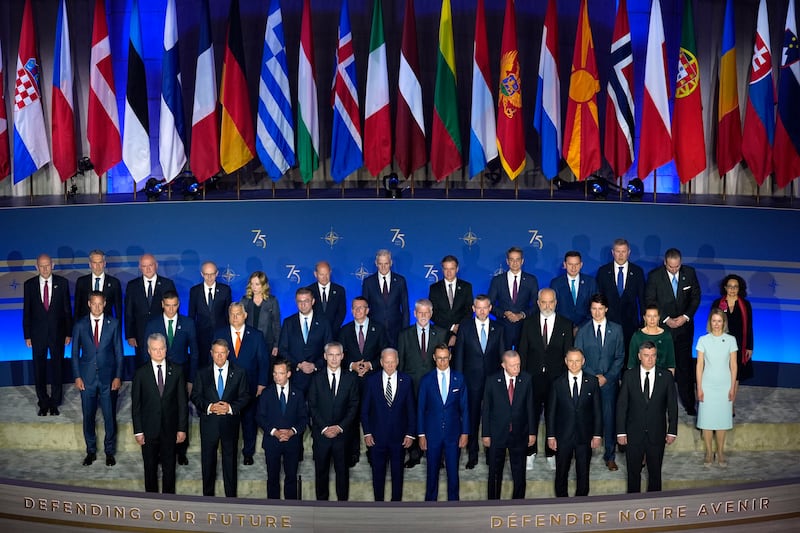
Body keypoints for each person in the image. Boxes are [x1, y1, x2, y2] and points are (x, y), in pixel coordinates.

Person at [517, 288, 573, 471]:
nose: (547, 306)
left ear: (556, 302)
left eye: (551, 302)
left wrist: (565, 380)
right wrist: (521, 379)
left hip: (555, 380)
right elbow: (522, 352)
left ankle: (552, 453)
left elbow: (568, 355)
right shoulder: (528, 323)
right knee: (530, 416)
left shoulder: (566, 324)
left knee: (554, 416)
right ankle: (530, 452)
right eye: (544, 302)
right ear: (538, 303)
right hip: (532, 379)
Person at [144, 290, 198, 465]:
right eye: (167, 305)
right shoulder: (153, 324)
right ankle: (160, 451)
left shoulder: (188, 323)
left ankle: (181, 451)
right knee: (161, 412)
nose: (171, 309)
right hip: (158, 375)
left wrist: (191, 379)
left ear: (179, 304)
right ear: (162, 304)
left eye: (174, 305)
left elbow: (195, 354)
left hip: (180, 376)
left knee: (181, 411)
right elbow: (146, 354)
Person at [191, 339, 250, 497]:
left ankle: (230, 499)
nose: (219, 356)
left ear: (228, 353)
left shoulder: (239, 372)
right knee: (208, 463)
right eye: (216, 353)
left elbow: (245, 396)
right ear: (211, 353)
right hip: (209, 424)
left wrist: (230, 408)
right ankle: (208, 498)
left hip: (229, 425)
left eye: (222, 353)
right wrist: (210, 407)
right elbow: (195, 396)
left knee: (230, 464)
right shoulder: (202, 373)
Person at [616, 341, 678, 493]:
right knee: (633, 473)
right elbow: (622, 406)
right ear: (639, 356)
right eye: (646, 356)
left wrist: (672, 430)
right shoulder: (629, 376)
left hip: (656, 433)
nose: (650, 359)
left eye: (653, 356)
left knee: (655, 474)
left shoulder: (666, 377)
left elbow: (672, 406)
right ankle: (633, 505)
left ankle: (654, 508)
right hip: (633, 433)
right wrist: (621, 432)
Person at [645, 248, 701, 416]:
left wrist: (685, 317)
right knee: (660, 366)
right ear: (665, 263)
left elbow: (696, 297)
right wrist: (666, 319)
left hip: (684, 329)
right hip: (662, 329)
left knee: (684, 367)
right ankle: (658, 404)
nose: (674, 270)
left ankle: (689, 404)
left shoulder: (689, 273)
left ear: (681, 262)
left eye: (677, 267)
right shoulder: (655, 276)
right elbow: (650, 300)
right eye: (671, 267)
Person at [131, 333, 188, 493]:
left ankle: (168, 502)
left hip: (170, 430)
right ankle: (152, 501)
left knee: (169, 468)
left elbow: (182, 403)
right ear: (149, 350)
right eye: (155, 349)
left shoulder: (177, 371)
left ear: (166, 348)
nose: (158, 352)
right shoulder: (141, 373)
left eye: (161, 348)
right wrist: (138, 431)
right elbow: (136, 405)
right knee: (150, 469)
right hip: (149, 430)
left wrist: (182, 429)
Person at [71, 291, 123, 466]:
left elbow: (119, 353)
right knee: (88, 416)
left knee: (109, 416)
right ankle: (91, 451)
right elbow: (74, 355)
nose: (97, 307)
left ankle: (109, 452)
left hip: (108, 379)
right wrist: (77, 376)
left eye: (100, 303)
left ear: (105, 303)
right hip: (87, 379)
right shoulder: (79, 325)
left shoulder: (114, 324)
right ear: (88, 303)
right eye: (94, 303)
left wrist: (118, 376)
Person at [453, 294, 504, 470]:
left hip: (493, 382)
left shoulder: (499, 328)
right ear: (473, 309)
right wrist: (458, 381)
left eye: (485, 307)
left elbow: (503, 356)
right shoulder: (465, 328)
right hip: (470, 381)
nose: (482, 311)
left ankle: (491, 456)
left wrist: (501, 381)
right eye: (478, 308)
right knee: (472, 418)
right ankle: (472, 455)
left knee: (492, 418)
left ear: (490, 309)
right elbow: (459, 356)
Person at [214, 302, 269, 466]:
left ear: (245, 315)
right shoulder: (220, 334)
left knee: (249, 420)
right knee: (227, 421)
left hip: (250, 386)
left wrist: (262, 383)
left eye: (238, 314)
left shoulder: (256, 335)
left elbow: (264, 361)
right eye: (232, 314)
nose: (235, 317)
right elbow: (214, 360)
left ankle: (248, 453)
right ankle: (228, 453)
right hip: (226, 387)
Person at [574, 293, 625, 471]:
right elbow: (577, 358)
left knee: (609, 420)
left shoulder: (617, 330)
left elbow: (620, 357)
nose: (597, 312)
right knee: (586, 420)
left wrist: (607, 377)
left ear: (606, 309)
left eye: (600, 309)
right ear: (590, 309)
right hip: (588, 383)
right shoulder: (582, 330)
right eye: (594, 309)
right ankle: (585, 455)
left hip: (609, 384)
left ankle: (610, 456)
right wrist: (592, 377)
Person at [338, 296, 389, 466]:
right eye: (354, 308)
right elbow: (339, 357)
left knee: (374, 416)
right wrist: (352, 365)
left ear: (368, 310)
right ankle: (353, 452)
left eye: (361, 308)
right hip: (351, 381)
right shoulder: (344, 330)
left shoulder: (379, 329)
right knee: (351, 417)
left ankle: (373, 451)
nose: (357, 311)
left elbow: (384, 353)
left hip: (373, 380)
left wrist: (370, 365)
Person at [397, 298, 447, 468]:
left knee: (435, 419)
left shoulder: (441, 333)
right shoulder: (404, 334)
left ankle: (436, 455)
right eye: (420, 312)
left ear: (431, 314)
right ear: (415, 313)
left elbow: (444, 362)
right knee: (413, 418)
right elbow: (401, 363)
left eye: (427, 312)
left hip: (435, 385)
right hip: (412, 385)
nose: (423, 315)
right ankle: (414, 454)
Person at [545, 347, 602, 497]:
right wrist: (551, 436)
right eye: (571, 361)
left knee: (583, 471)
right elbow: (550, 412)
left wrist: (597, 434)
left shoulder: (592, 382)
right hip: (563, 435)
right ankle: (561, 503)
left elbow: (597, 411)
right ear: (565, 361)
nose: (574, 364)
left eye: (577, 361)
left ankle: (581, 503)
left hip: (585, 435)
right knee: (561, 471)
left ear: (583, 361)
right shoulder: (557, 383)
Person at [361, 348, 416, 501]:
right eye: (387, 362)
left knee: (398, 474)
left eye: (393, 362)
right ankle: (378, 506)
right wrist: (367, 433)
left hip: (399, 438)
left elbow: (411, 410)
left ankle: (396, 507)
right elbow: (364, 410)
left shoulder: (406, 381)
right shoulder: (371, 381)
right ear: (381, 362)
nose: (390, 365)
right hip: (376, 438)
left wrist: (410, 433)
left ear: (397, 362)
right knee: (378, 474)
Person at [308, 342, 360, 501]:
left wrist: (339, 427)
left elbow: (354, 406)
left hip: (342, 436)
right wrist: (324, 428)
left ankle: (342, 509)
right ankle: (321, 509)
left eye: (337, 355)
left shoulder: (351, 378)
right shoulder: (316, 378)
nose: (334, 358)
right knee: (321, 474)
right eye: (331, 354)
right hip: (321, 436)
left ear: (343, 356)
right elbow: (312, 406)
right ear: (325, 356)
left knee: (342, 474)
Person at [23, 253, 73, 416]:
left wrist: (68, 332)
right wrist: (27, 335)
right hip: (37, 335)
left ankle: (55, 401)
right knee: (39, 368)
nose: (45, 269)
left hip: (58, 333)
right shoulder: (29, 285)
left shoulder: (62, 283)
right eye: (41, 266)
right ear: (36, 267)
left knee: (57, 367)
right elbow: (27, 311)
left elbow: (67, 310)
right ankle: (43, 401)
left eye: (47, 265)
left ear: (52, 265)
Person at [482, 350, 536, 500]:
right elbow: (486, 410)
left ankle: (518, 503)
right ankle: (493, 503)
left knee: (519, 473)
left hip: (519, 433)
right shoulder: (492, 381)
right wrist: (486, 434)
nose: (516, 369)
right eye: (513, 366)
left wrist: (532, 432)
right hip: (497, 434)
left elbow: (530, 407)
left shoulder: (526, 379)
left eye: (518, 365)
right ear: (503, 365)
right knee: (494, 473)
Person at [417, 344, 469, 501]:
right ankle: (430, 507)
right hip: (432, 434)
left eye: (445, 358)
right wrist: (421, 434)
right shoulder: (426, 380)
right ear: (434, 358)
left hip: (453, 434)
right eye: (439, 358)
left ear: (450, 357)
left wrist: (465, 432)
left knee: (453, 473)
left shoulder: (459, 378)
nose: (442, 362)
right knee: (432, 472)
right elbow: (420, 409)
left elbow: (465, 408)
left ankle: (454, 506)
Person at [255, 358, 307, 500]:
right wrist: (275, 432)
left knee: (291, 477)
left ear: (288, 374)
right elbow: (260, 417)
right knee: (272, 478)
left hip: (292, 443)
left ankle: (291, 508)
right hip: (272, 442)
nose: (277, 376)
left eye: (281, 373)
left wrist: (291, 432)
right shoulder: (266, 393)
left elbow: (304, 418)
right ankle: (274, 509)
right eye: (275, 373)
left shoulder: (298, 393)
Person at [696, 309, 738, 468]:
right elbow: (699, 365)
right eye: (714, 321)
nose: (716, 324)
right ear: (710, 322)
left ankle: (720, 452)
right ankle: (708, 452)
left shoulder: (731, 340)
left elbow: (733, 366)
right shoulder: (703, 340)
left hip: (724, 384)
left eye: (719, 321)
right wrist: (699, 387)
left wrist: (733, 387)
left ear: (724, 323)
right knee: (707, 422)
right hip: (707, 384)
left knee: (721, 421)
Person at [278, 287, 333, 394]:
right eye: (300, 301)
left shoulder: (324, 322)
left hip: (318, 377)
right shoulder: (288, 322)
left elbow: (329, 349)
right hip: (295, 377)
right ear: (296, 302)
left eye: (306, 301)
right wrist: (298, 364)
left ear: (313, 301)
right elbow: (282, 349)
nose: (303, 304)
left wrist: (315, 365)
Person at [711, 274, 754, 411]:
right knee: (721, 373)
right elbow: (712, 324)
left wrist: (749, 346)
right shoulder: (718, 303)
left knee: (735, 376)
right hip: (720, 344)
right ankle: (719, 402)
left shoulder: (745, 304)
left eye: (735, 287)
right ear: (725, 288)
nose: (732, 289)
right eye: (730, 286)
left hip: (739, 345)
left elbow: (749, 326)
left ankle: (730, 405)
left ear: (739, 288)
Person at [125, 254, 176, 366]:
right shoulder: (132, 285)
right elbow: (129, 311)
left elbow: (173, 309)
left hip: (162, 331)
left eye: (150, 265)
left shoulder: (167, 284)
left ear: (156, 265)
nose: (148, 269)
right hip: (140, 333)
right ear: (140, 267)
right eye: (144, 266)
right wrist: (130, 335)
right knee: (142, 364)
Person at [595, 238, 646, 352]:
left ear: (629, 252)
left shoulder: (637, 271)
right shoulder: (603, 271)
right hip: (609, 322)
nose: (621, 255)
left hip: (631, 323)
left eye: (623, 251)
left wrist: (643, 323)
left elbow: (642, 299)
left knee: (629, 354)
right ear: (613, 252)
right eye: (618, 251)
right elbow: (598, 298)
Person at [488, 246, 539, 350]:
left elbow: (536, 305)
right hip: (503, 328)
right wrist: (504, 313)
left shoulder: (531, 280)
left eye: (517, 259)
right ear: (507, 261)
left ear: (522, 261)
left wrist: (521, 315)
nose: (515, 263)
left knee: (523, 360)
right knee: (502, 360)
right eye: (512, 259)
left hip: (524, 328)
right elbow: (490, 305)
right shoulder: (497, 280)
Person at [361, 249, 410, 347]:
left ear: (391, 263)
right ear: (376, 263)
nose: (383, 267)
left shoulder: (400, 281)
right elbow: (364, 308)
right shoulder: (368, 282)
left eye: (386, 263)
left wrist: (405, 331)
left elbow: (405, 308)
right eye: (380, 264)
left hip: (396, 330)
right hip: (375, 331)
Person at [188, 261, 232, 368]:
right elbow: (191, 315)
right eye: (206, 274)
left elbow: (228, 315)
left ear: (217, 273)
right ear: (202, 274)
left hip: (221, 336)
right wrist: (191, 337)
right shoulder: (195, 291)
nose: (209, 277)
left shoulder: (225, 290)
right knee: (203, 365)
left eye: (212, 274)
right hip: (201, 336)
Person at [428, 255, 474, 346]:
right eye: (446, 269)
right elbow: (433, 313)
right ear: (442, 269)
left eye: (452, 269)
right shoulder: (434, 288)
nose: (449, 272)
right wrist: (451, 327)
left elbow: (469, 310)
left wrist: (459, 327)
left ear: (457, 269)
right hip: (441, 333)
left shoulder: (466, 287)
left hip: (461, 333)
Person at [549, 251, 597, 331]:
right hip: (562, 329)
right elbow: (553, 308)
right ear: (564, 265)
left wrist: (580, 327)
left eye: (576, 264)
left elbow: (596, 307)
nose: (573, 268)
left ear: (581, 265)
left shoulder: (591, 282)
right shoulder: (556, 283)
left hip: (586, 329)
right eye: (570, 264)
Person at [240, 271, 281, 357]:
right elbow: (240, 322)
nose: (254, 287)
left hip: (267, 342)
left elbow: (276, 324)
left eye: (257, 284)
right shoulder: (245, 300)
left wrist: (276, 345)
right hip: (248, 341)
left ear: (263, 285)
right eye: (252, 284)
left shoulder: (272, 301)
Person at [74, 249, 123, 321]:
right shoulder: (81, 282)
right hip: (86, 325)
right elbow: (77, 308)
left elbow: (118, 310)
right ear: (90, 264)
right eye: (94, 263)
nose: (97, 266)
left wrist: (117, 329)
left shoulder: (114, 282)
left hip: (107, 325)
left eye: (100, 262)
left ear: (104, 263)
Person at [628, 305, 676, 373]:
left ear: (659, 317)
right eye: (649, 316)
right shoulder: (637, 336)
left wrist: (669, 381)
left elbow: (671, 363)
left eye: (655, 316)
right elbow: (631, 363)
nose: (652, 319)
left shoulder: (666, 336)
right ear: (644, 318)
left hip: (662, 377)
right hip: (640, 376)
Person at [306, 260, 347, 333]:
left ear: (330, 272)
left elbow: (341, 312)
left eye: (327, 274)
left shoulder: (339, 290)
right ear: (315, 274)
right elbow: (307, 312)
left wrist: (332, 330)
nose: (324, 277)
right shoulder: (309, 291)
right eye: (321, 274)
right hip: (314, 333)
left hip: (334, 333)